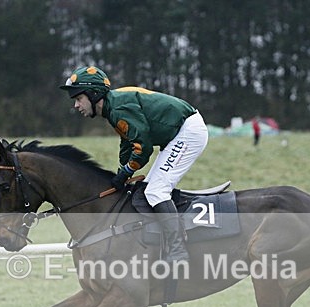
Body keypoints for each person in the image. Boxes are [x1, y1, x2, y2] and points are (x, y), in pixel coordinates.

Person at [60, 65, 208, 264]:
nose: (76, 105)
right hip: (178, 133)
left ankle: (178, 250)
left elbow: (143, 147)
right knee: (151, 188)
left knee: (156, 191)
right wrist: (122, 170)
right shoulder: (113, 107)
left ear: (94, 94)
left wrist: (126, 172)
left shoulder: (118, 108)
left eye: (78, 99)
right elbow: (128, 141)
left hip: (188, 132)